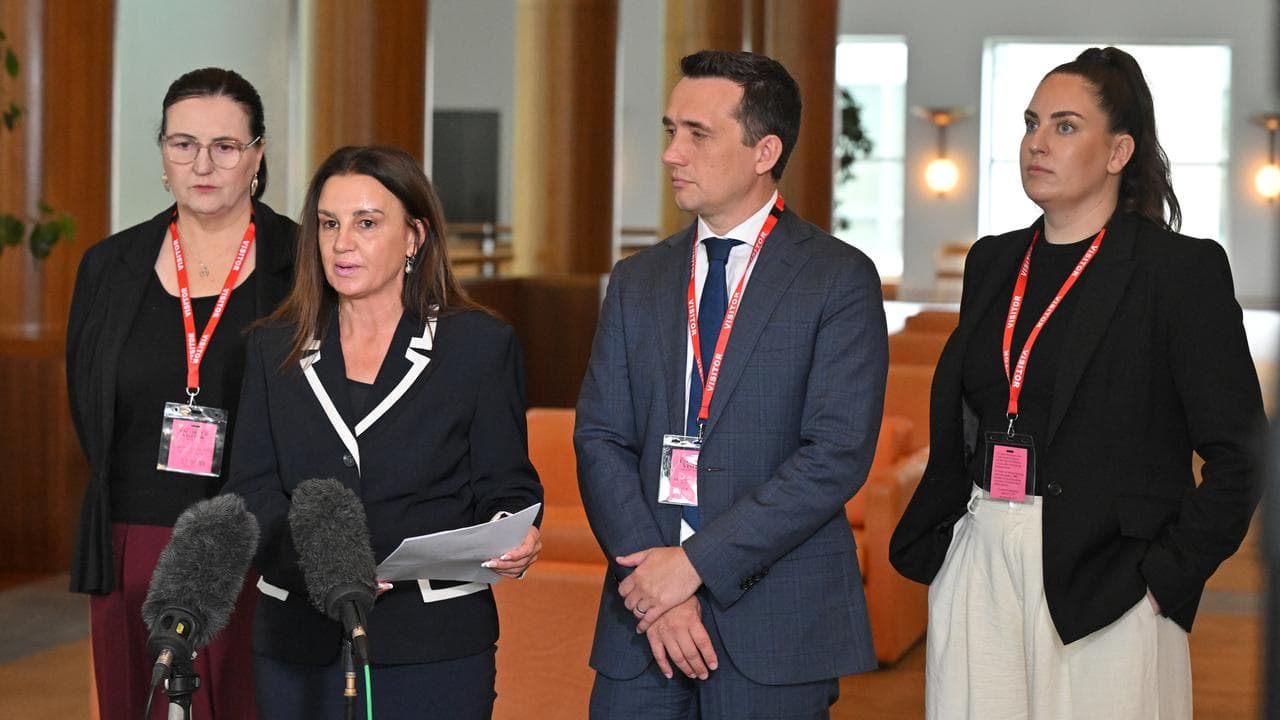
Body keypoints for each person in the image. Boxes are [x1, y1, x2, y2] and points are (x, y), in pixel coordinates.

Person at [890, 46, 1265, 719]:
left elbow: (1242, 456)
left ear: (1119, 151)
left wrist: (1161, 581)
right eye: (1033, 123)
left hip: (1110, 583)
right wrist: (952, 555)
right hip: (981, 558)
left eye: (1065, 126)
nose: (1037, 142)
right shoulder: (995, 260)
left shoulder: (1178, 272)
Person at [575, 50, 886, 719]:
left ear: (763, 150)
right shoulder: (638, 279)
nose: (671, 154)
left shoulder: (836, 278)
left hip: (774, 622)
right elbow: (600, 436)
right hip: (642, 622)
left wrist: (692, 566)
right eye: (669, 131)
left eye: (697, 133)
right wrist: (652, 581)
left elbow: (835, 455)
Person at [224, 145, 543, 719]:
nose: (342, 243)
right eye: (328, 224)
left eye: (366, 224)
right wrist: (323, 560)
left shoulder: (478, 347)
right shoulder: (272, 347)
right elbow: (251, 492)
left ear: (414, 237)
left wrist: (511, 533)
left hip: (432, 644)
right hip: (299, 639)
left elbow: (507, 486)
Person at [66, 67, 294, 720]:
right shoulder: (110, 266)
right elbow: (87, 402)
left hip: (256, 543)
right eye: (182, 144)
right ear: (163, 154)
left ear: (257, 155)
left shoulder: (300, 265)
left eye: (225, 146)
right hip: (130, 535)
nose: (203, 164)